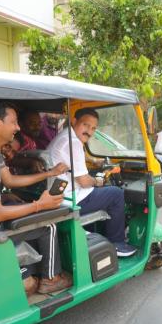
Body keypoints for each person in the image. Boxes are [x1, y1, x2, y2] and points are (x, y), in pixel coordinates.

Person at [0, 100, 72, 295]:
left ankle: (30, 270)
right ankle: (50, 278)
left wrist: (49, 173)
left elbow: (10, 180)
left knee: (18, 204)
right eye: (14, 122)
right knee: (49, 226)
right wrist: (39, 205)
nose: (18, 128)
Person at [47, 108, 137, 257]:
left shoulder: (65, 136)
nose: (89, 131)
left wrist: (94, 161)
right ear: (74, 121)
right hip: (69, 199)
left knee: (104, 191)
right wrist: (97, 181)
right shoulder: (73, 142)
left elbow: (74, 164)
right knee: (116, 194)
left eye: (93, 128)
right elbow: (83, 181)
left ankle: (99, 235)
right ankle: (117, 243)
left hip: (59, 195)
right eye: (85, 125)